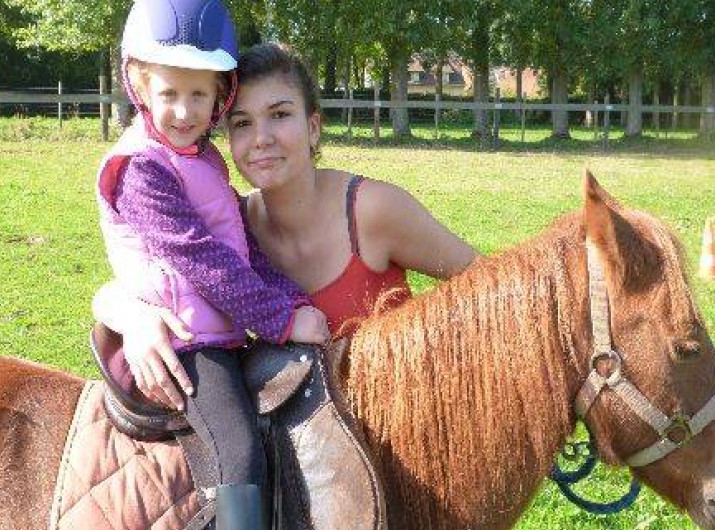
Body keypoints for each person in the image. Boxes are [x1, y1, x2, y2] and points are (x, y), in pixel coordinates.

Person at [94, 41, 477, 529]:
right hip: (324, 472)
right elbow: (162, 265)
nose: (261, 139)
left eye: (279, 114)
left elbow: (488, 285)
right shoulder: (236, 227)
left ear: (313, 125)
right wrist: (133, 316)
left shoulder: (372, 211)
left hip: (410, 455)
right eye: (243, 123)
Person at [95, 3, 329, 527]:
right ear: (138, 85)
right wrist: (282, 320)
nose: (184, 111)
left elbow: (241, 249)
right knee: (240, 454)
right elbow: (203, 261)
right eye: (169, 94)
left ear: (219, 96)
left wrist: (292, 299)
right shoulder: (141, 170)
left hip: (216, 333)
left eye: (199, 94)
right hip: (187, 346)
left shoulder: (203, 160)